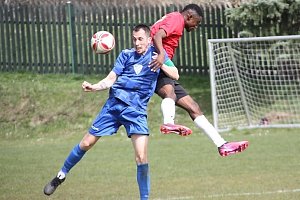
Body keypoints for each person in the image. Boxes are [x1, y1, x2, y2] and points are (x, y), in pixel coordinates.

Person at [43, 24, 179, 199]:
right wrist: (94, 87)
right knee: (86, 144)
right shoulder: (126, 55)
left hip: (136, 111)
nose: (137, 43)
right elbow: (111, 79)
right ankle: (60, 176)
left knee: (142, 157)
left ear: (148, 39)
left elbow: (175, 75)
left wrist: (161, 64)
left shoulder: (158, 54)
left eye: (140, 39)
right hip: (114, 106)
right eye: (134, 39)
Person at [149, 4, 249, 156]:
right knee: (170, 93)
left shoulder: (175, 19)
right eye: (197, 22)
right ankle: (168, 123)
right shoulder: (177, 19)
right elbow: (157, 36)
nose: (196, 26)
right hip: (156, 62)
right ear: (189, 16)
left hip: (162, 62)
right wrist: (162, 56)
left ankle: (222, 145)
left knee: (194, 107)